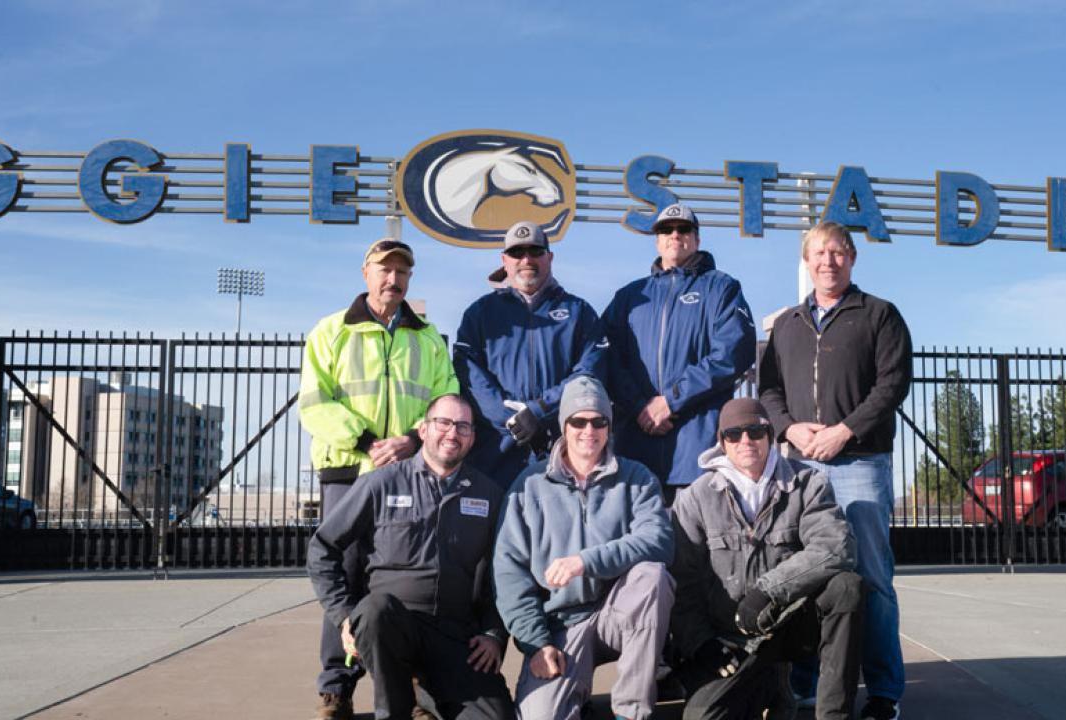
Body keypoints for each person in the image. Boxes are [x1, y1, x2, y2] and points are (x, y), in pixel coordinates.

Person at [299, 237, 461, 720]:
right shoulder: (330, 332)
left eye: (402, 272)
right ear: (366, 272)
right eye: (384, 270)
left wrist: (412, 441)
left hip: (410, 470)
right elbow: (314, 403)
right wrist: (371, 442)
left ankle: (412, 686)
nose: (393, 280)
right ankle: (337, 687)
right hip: (350, 472)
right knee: (345, 578)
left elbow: (445, 397)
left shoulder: (429, 338)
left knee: (406, 576)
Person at [758, 221, 912, 720]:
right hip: (799, 468)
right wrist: (788, 430)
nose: (829, 261)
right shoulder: (786, 325)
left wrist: (843, 431)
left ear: (852, 259)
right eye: (819, 253)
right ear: (807, 261)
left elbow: (891, 385)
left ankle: (884, 691)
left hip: (860, 464)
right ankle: (807, 682)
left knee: (870, 578)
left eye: (838, 252)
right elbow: (768, 391)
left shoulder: (879, 316)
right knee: (804, 576)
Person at [307, 394, 514, 720]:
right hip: (392, 630)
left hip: (454, 634)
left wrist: (493, 633)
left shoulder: (488, 495)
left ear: (472, 437)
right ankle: (398, 708)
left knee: (497, 717)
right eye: (443, 423)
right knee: (376, 610)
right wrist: (344, 616)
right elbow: (323, 547)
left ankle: (425, 695)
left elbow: (504, 572)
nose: (452, 433)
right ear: (423, 430)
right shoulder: (381, 483)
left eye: (463, 426)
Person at [494, 375, 675, 720]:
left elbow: (660, 541)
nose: (588, 430)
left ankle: (631, 712)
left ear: (609, 426)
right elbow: (508, 571)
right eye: (578, 421)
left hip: (617, 615)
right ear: (564, 425)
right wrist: (537, 643)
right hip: (562, 626)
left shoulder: (636, 477)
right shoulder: (528, 486)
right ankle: (571, 693)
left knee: (652, 577)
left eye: (598, 421)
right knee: (540, 716)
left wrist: (586, 561)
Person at [670, 398, 862, 720]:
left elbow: (836, 545)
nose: (745, 441)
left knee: (846, 588)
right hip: (730, 638)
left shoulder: (808, 484)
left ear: (770, 435)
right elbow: (682, 584)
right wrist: (701, 643)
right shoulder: (695, 499)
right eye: (734, 434)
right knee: (703, 716)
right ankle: (771, 681)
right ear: (722, 442)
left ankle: (833, 714)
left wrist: (768, 591)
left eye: (755, 431)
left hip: (790, 624)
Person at [602, 203, 756, 499]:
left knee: (694, 543)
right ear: (657, 240)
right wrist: (640, 406)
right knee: (637, 542)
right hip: (635, 452)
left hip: (695, 455)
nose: (675, 234)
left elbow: (733, 352)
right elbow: (607, 358)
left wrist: (671, 401)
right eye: (665, 230)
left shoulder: (722, 288)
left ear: (696, 239)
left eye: (683, 229)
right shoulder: (629, 297)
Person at [454, 221, 607, 489]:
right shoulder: (480, 313)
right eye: (517, 253)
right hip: (494, 454)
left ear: (550, 257)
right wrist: (512, 421)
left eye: (535, 251)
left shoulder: (579, 312)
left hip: (558, 451)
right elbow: (469, 374)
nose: (526, 260)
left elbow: (589, 372)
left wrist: (539, 411)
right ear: (504, 260)